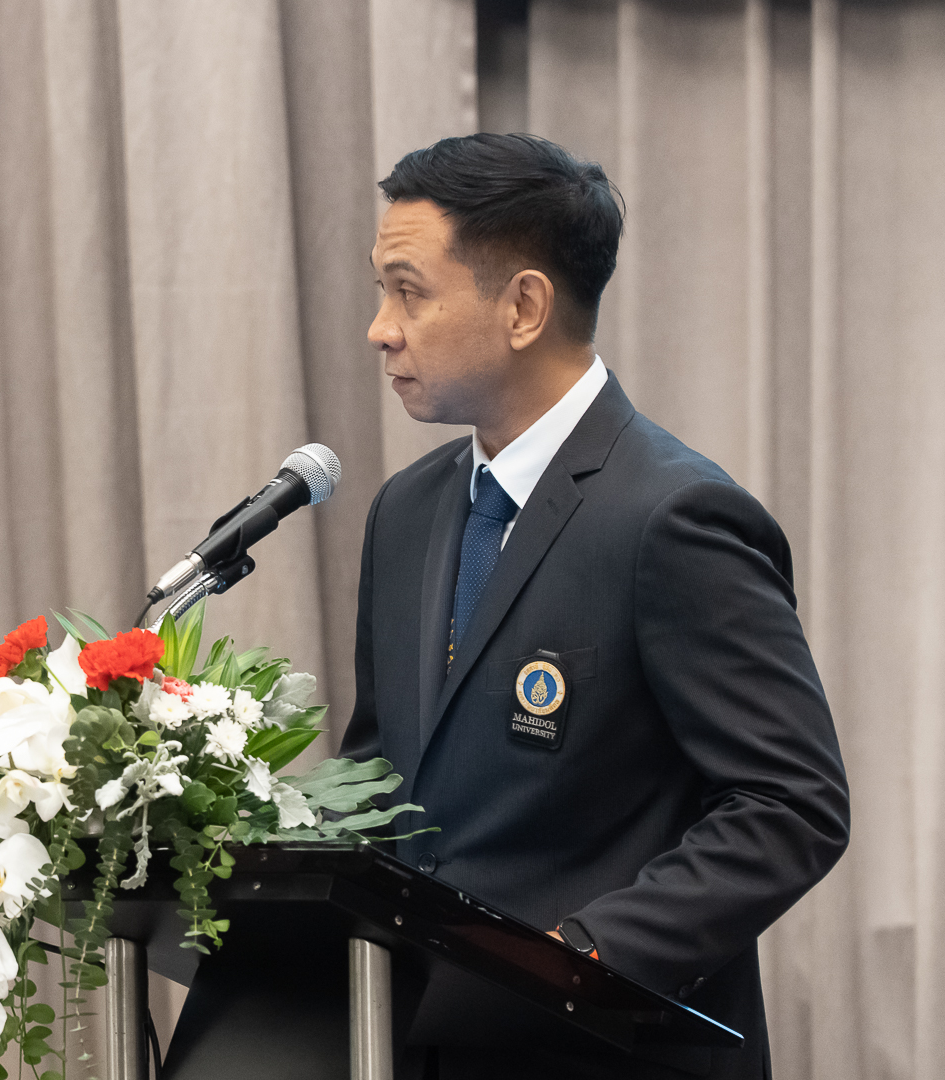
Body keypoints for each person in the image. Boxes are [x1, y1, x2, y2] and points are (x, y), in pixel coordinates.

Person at [340, 133, 850, 1079]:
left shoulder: (674, 514)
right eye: (382, 292)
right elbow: (378, 774)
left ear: (524, 307)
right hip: (420, 1046)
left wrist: (575, 962)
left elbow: (790, 804)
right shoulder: (405, 511)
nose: (381, 328)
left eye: (408, 292)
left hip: (606, 1050)